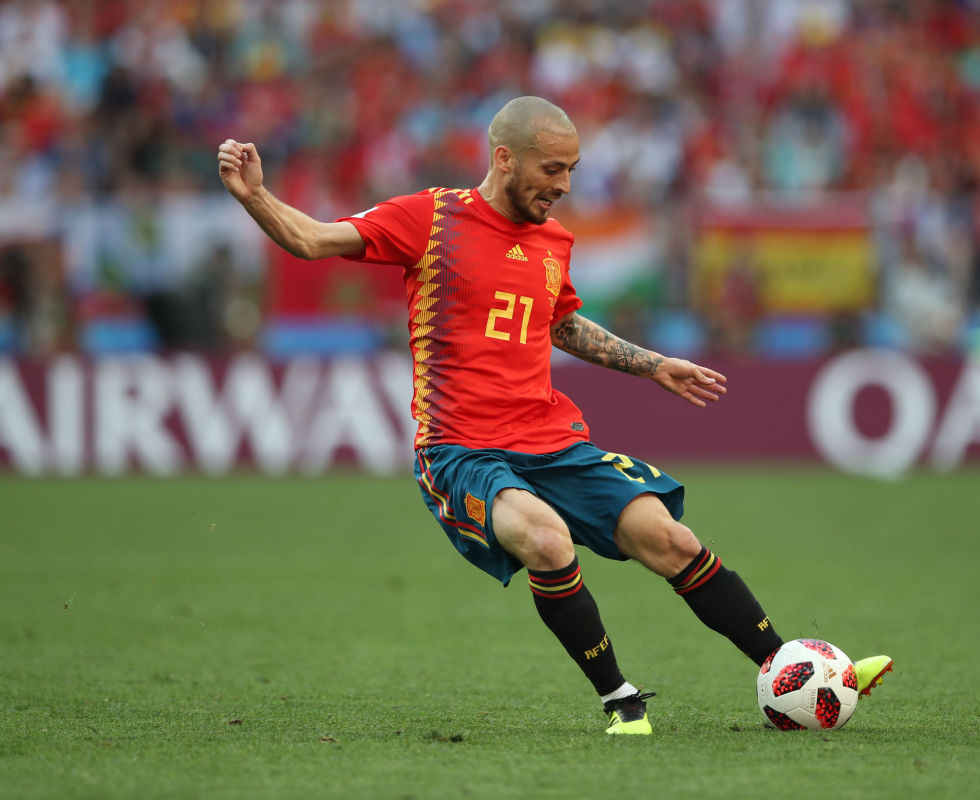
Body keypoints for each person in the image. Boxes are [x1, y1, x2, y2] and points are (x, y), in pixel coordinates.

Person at [217, 96, 892, 734]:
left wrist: (651, 363)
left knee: (672, 540)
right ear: (503, 158)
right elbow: (312, 241)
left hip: (551, 440)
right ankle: (622, 702)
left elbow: (562, 324)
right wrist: (257, 199)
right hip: (463, 451)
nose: (564, 183)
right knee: (546, 543)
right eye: (552, 168)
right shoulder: (432, 218)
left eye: (571, 168)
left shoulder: (552, 241)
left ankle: (795, 671)